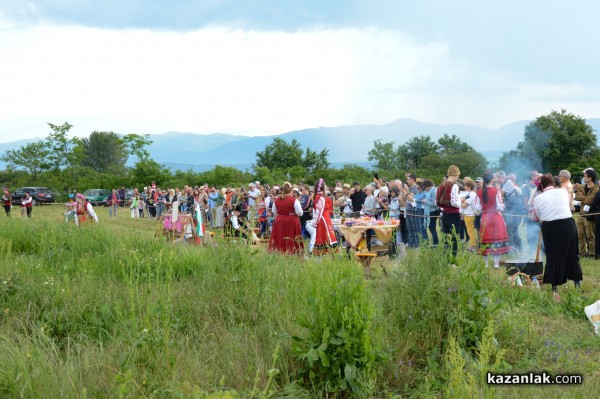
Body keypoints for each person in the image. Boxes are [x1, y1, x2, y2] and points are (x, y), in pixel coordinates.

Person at [532, 173, 582, 298]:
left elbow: (536, 217)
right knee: (572, 254)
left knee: (553, 256)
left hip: (551, 227)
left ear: (541, 186)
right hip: (568, 225)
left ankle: (554, 288)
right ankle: (577, 285)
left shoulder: (538, 198)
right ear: (553, 183)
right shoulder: (563, 192)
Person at [473, 171, 511, 268]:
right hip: (495, 217)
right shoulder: (496, 191)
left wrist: (484, 208)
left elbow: (477, 207)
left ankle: (486, 264)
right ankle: (496, 264)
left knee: (485, 239)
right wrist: (503, 206)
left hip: (485, 217)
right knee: (496, 239)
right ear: (492, 180)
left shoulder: (479, 191)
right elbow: (500, 206)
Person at [268, 183, 304, 254]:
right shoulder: (294, 200)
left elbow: (273, 211)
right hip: (291, 220)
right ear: (290, 191)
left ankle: (279, 249)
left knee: (280, 235)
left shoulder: (277, 200)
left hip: (279, 220)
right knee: (290, 235)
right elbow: (300, 212)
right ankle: (292, 250)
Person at [436, 165, 462, 259]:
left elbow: (437, 202)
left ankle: (445, 257)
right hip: (453, 214)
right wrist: (461, 202)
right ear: (455, 175)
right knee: (454, 237)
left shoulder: (441, 186)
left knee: (446, 237)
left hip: (444, 214)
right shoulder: (453, 186)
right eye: (457, 176)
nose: (457, 178)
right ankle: (452, 259)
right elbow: (454, 202)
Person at [574, 168, 599, 257]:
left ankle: (592, 253)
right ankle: (582, 253)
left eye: (585, 176)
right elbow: (576, 197)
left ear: (590, 178)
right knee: (580, 236)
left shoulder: (596, 188)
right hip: (581, 214)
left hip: (589, 215)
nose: (583, 178)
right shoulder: (582, 186)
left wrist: (583, 197)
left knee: (590, 236)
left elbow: (590, 201)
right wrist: (586, 198)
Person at [309, 178, 337, 254]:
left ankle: (325, 255)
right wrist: (315, 222)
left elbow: (317, 212)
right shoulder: (321, 198)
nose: (326, 186)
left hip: (324, 219)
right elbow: (319, 212)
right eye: (325, 185)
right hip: (323, 220)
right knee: (324, 237)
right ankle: (324, 255)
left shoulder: (318, 196)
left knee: (326, 237)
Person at [460, 177, 478, 251]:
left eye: (465, 186)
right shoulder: (471, 194)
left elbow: (464, 206)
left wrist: (461, 201)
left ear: (469, 187)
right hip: (469, 214)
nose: (464, 187)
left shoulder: (471, 195)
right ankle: (472, 244)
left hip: (469, 215)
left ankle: (472, 246)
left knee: (470, 231)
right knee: (470, 230)